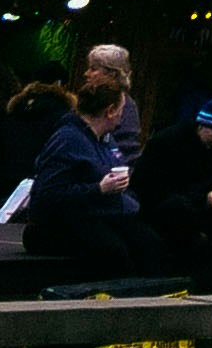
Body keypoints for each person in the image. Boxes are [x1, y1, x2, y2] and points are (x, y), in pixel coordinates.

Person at [22, 46, 145, 279]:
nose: (122, 116)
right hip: (61, 221)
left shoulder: (104, 139)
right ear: (109, 111)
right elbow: (47, 195)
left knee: (144, 240)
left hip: (97, 211)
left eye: (93, 69)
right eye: (120, 110)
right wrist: (99, 189)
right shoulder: (69, 139)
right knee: (113, 250)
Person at [134, 90, 212, 277]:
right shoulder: (166, 142)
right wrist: (202, 199)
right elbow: (154, 189)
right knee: (179, 207)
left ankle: (208, 237)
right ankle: (204, 239)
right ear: (202, 125)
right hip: (169, 208)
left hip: (204, 210)